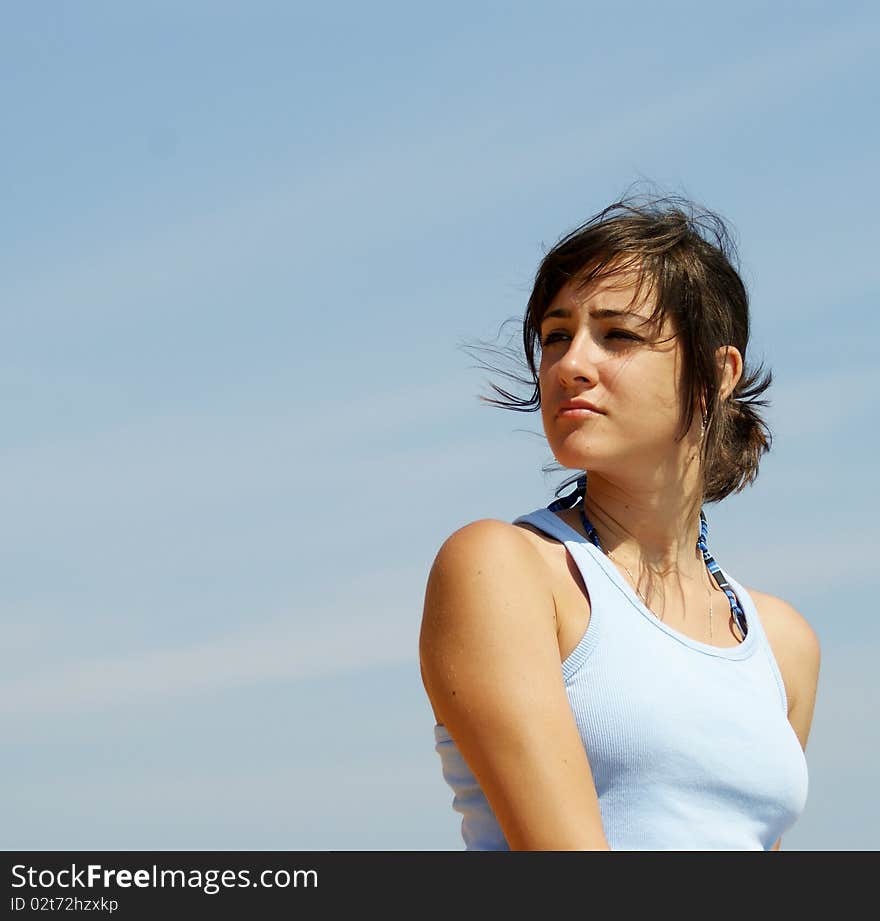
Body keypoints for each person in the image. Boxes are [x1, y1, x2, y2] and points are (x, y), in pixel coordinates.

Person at [418, 194, 821, 851]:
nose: (570, 364)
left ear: (718, 374)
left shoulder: (783, 642)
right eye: (555, 335)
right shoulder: (505, 569)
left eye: (619, 335)